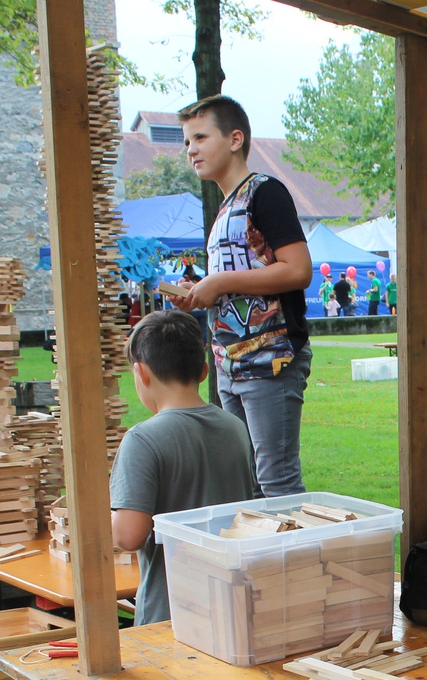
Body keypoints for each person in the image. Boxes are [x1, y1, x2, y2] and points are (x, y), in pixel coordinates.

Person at [108, 309, 271, 680]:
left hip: (170, 616)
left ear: (141, 373)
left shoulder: (143, 439)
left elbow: (128, 534)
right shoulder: (232, 426)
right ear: (205, 367)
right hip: (235, 607)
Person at [171, 95, 314, 499]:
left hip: (270, 360)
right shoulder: (223, 210)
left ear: (235, 139)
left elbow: (298, 270)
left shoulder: (264, 193)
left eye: (200, 137)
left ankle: (302, 545)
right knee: (247, 486)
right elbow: (239, 281)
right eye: (186, 141)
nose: (191, 149)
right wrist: (201, 292)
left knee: (277, 482)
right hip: (229, 365)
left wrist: (219, 282)